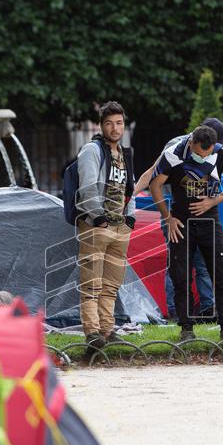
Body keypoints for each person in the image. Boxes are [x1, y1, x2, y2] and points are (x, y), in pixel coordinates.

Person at [148, 124, 223, 341]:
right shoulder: (173, 154)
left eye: (206, 155)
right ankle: (186, 329)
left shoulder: (220, 153)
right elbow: (155, 185)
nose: (203, 158)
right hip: (181, 223)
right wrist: (168, 218)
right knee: (180, 276)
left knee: (222, 273)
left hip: (211, 221)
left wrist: (213, 201)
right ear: (191, 144)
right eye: (199, 154)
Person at [134, 119, 223, 319]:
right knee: (178, 265)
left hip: (204, 216)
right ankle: (176, 313)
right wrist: (132, 194)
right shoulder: (175, 147)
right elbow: (152, 173)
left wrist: (212, 202)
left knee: (204, 264)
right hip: (176, 216)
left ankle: (207, 310)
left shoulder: (215, 150)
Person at [75, 101, 136, 349]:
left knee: (111, 285)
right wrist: (98, 217)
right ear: (101, 125)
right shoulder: (92, 151)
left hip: (120, 228)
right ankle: (92, 333)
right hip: (96, 226)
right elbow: (88, 186)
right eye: (109, 123)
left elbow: (128, 188)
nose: (115, 128)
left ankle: (108, 330)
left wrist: (130, 218)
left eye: (119, 123)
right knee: (91, 284)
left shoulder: (124, 153)